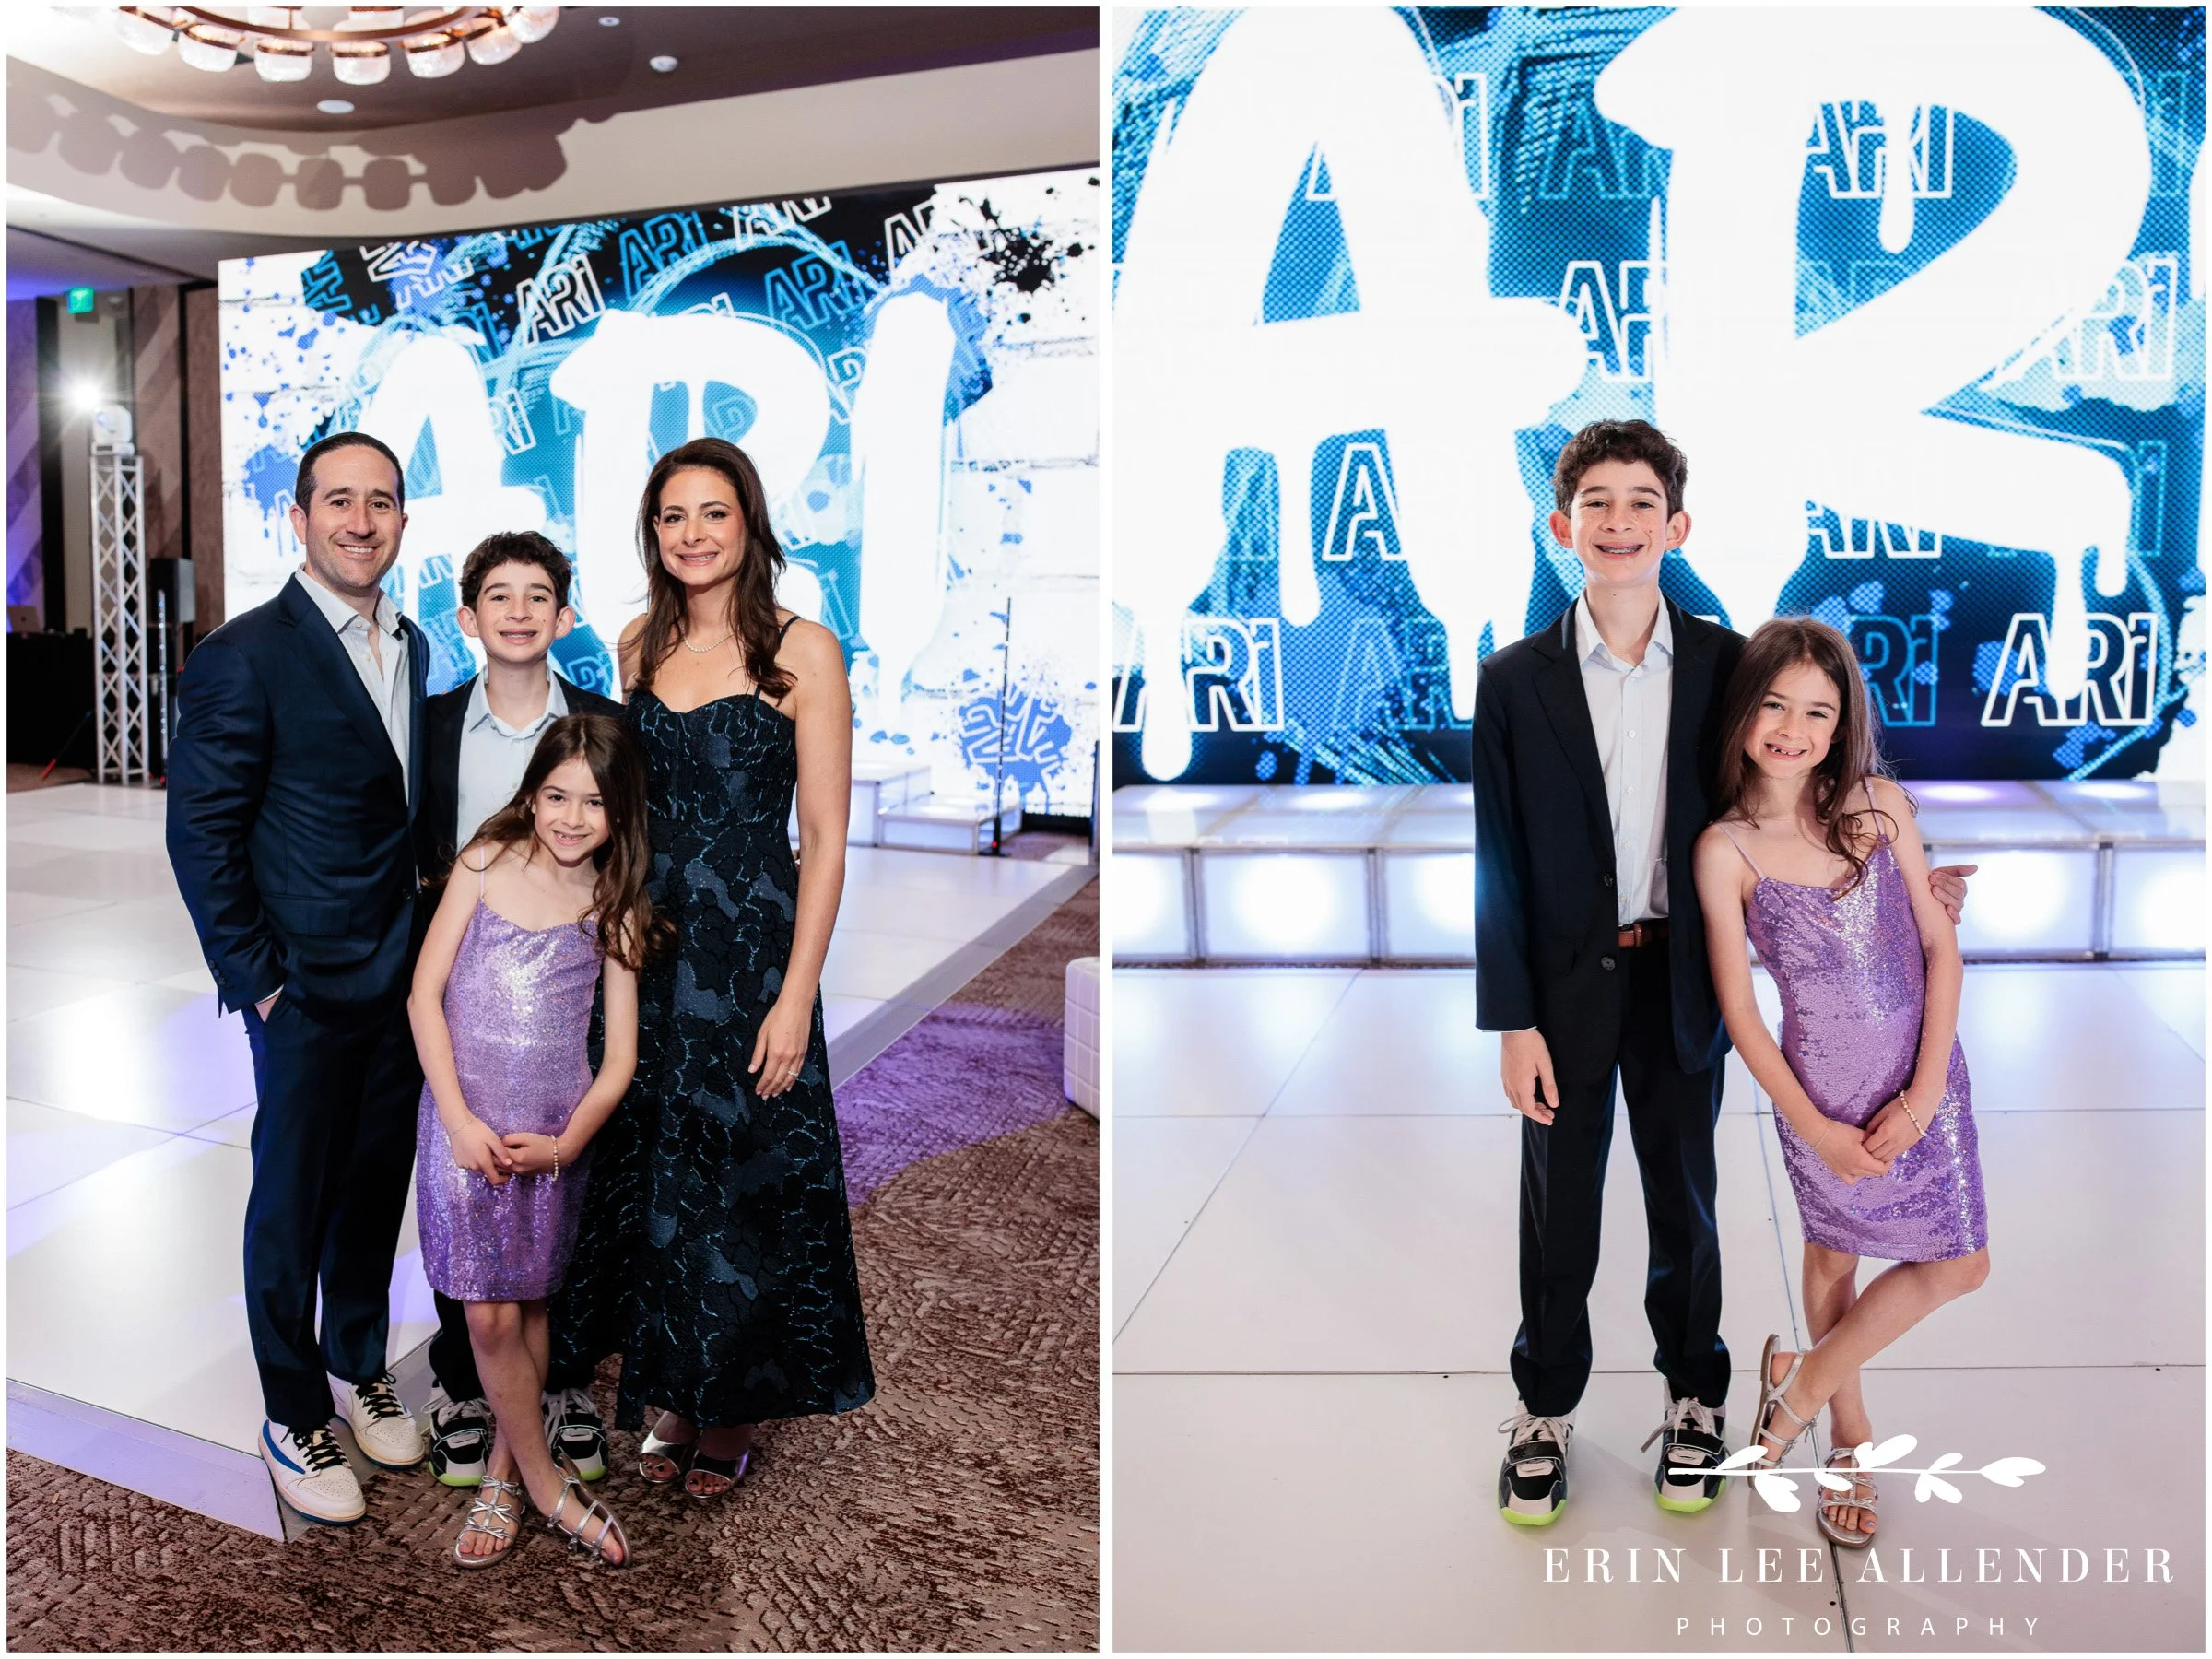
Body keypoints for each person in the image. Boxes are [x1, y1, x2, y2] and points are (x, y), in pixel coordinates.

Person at [1471, 419, 1972, 1527]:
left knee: (1683, 1199)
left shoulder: (1719, 661)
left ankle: (1696, 1397)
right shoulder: (1512, 682)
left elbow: (1790, 788)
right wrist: (1512, 1019)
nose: (1618, 521)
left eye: (1641, 502)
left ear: (1676, 524)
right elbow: (1498, 858)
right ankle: (1545, 1407)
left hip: (1684, 979)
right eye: (1595, 502)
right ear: (1562, 526)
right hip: (1562, 993)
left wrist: (1898, 891)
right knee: (1560, 1209)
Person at [548, 435, 876, 1497]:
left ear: (750, 526)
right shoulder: (638, 641)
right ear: (653, 533)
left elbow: (822, 838)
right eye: (671, 517)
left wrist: (794, 999)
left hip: (751, 955)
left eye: (713, 515)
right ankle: (675, 1388)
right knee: (658, 1175)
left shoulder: (804, 650)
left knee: (742, 1179)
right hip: (650, 943)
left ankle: (729, 1408)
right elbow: (628, 807)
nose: (691, 535)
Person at [167, 431, 431, 1524]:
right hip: (305, 990)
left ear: (404, 520)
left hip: (401, 981)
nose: (359, 520)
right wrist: (259, 981)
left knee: (374, 1191)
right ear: (299, 516)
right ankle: (290, 1409)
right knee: (291, 1199)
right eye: (338, 501)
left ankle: (359, 1360)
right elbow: (202, 835)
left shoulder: (411, 642)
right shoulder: (245, 653)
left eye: (380, 502)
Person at [1693, 619, 1989, 1549]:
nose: (1793, 727)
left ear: (1842, 722)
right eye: (1775, 703)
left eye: (1818, 711)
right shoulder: (1724, 849)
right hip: (1818, 1089)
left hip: (1922, 1074)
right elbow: (1743, 1012)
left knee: (1960, 1263)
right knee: (1833, 1260)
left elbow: (1941, 949)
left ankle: (1802, 1382)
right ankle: (1849, 1439)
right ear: (1744, 710)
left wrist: (1923, 1089)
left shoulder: (1879, 805)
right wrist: (1817, 1130)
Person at [411, 714, 665, 1568]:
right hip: (462, 1125)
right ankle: (548, 1482)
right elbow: (424, 998)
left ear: (620, 813)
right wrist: (455, 1117)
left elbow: (620, 1062)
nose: (570, 816)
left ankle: (499, 1476)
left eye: (593, 802)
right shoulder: (485, 862)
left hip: (551, 1140)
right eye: (556, 794)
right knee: (485, 1315)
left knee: (528, 1303)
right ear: (531, 790)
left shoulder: (611, 902)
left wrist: (563, 1147)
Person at [412, 531, 622, 1491]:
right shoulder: (433, 722)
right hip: (473, 982)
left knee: (566, 1201)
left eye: (540, 597)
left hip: (572, 991)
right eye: (500, 597)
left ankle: (562, 1383)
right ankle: (468, 1385)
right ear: (469, 619)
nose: (520, 612)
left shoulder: (605, 730)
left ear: (564, 617)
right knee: (471, 1198)